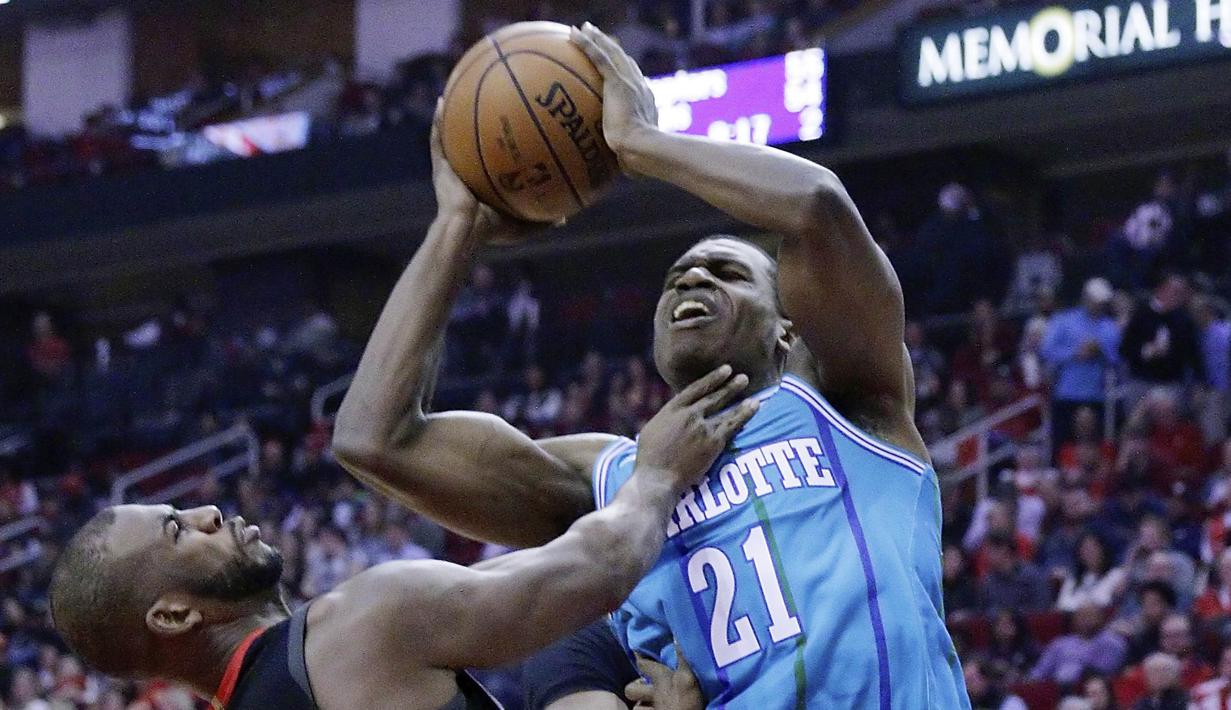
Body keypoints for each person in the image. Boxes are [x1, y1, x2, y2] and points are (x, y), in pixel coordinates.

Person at [332, 22, 967, 710]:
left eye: (725, 271)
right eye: (675, 278)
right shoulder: (612, 477)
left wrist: (641, 146)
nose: (691, 278)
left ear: (788, 326)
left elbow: (817, 208)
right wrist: (456, 227)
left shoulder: (851, 403)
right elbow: (373, 439)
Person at [46, 367, 750, 710]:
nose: (206, 513)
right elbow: (600, 564)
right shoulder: (357, 626)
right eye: (177, 530)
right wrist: (655, 473)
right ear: (172, 614)